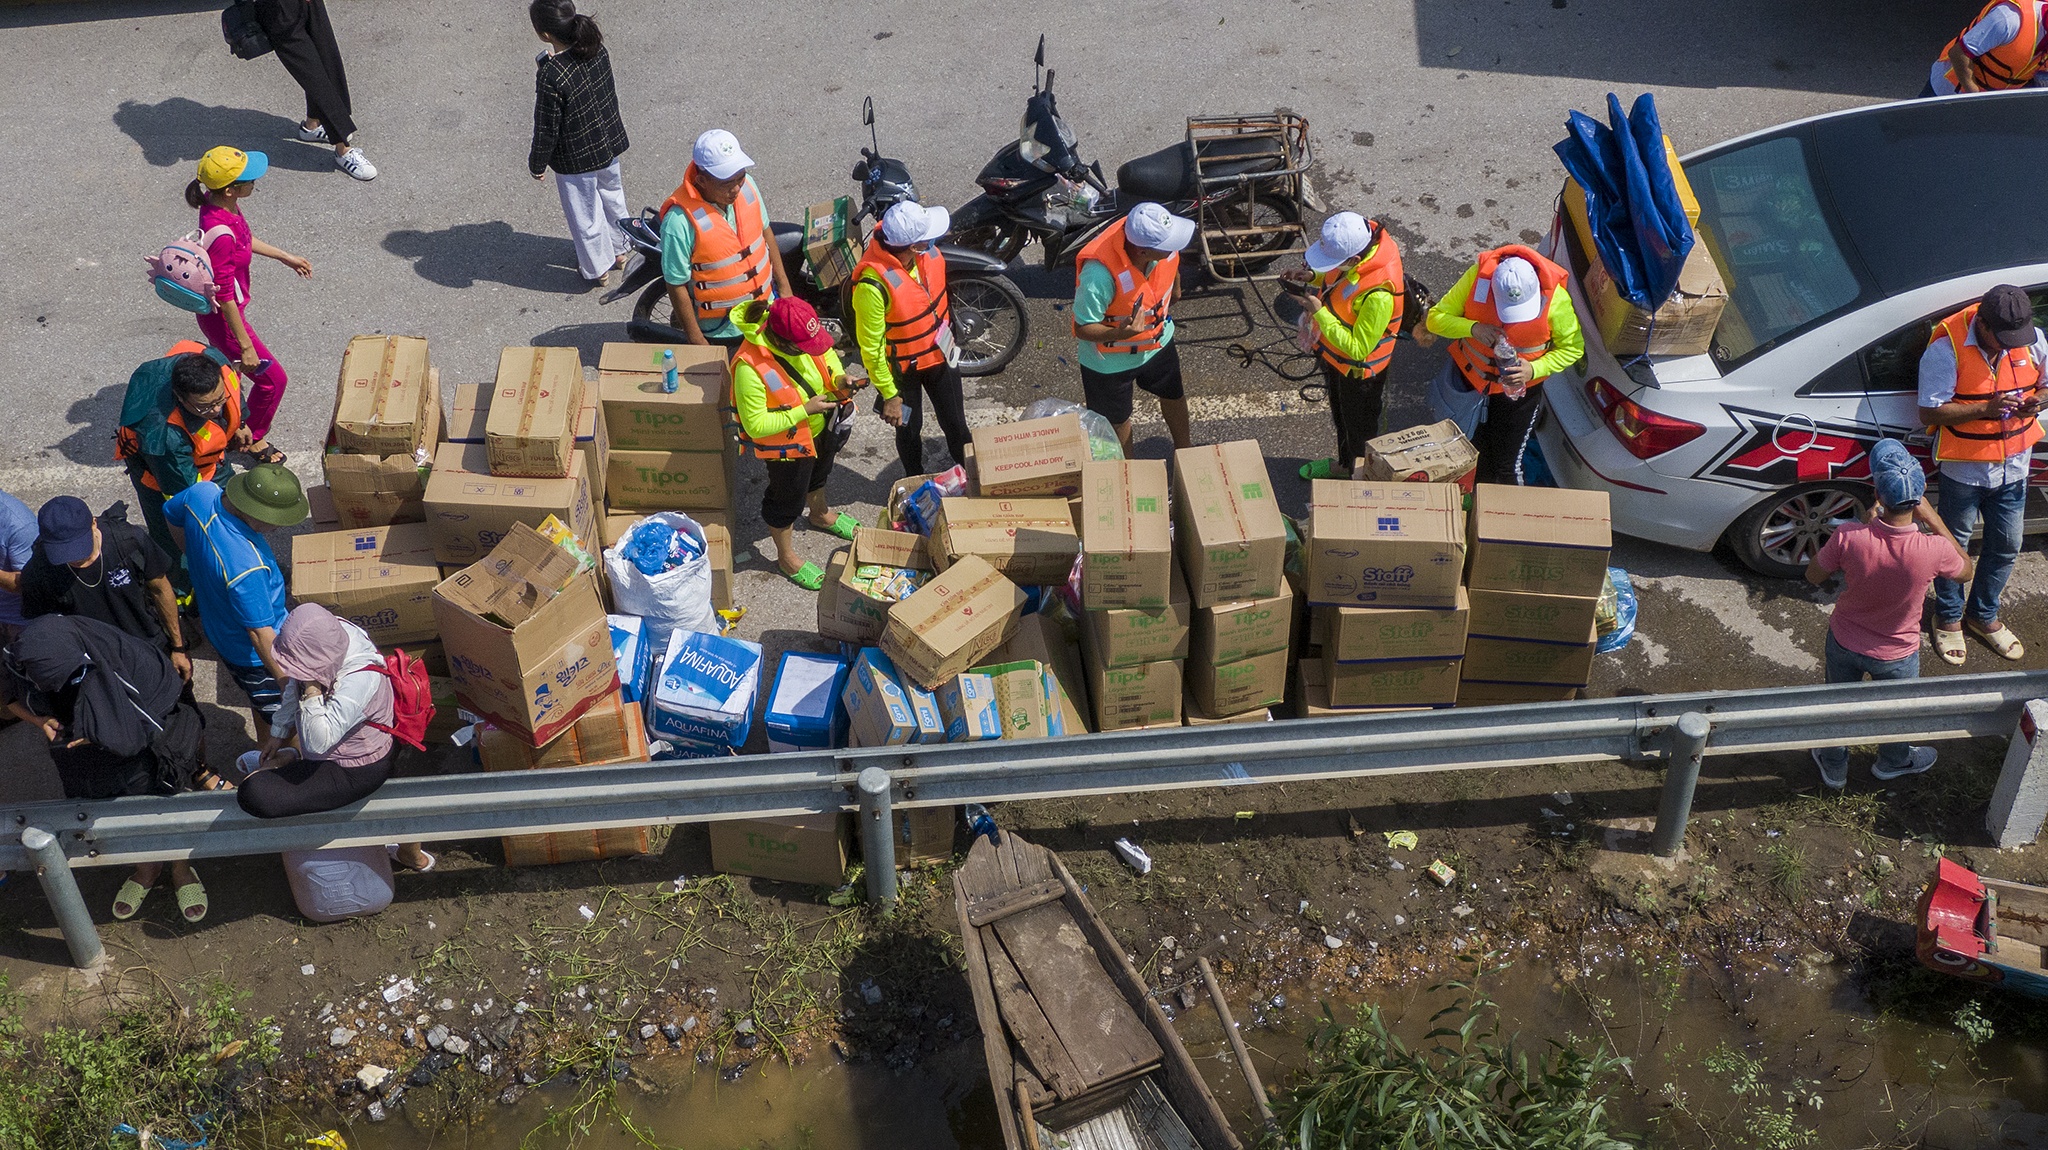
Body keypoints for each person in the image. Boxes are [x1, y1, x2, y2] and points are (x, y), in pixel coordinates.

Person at [5, 616, 212, 921]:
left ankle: (181, 868)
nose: (47, 687)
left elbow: (134, 737)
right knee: (110, 809)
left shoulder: (126, 663)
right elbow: (7, 696)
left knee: (163, 804)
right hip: (91, 747)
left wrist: (98, 731)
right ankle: (147, 869)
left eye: (61, 680)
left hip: (148, 736)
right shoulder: (19, 657)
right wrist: (41, 720)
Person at [1805, 439, 1973, 788]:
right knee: (1896, 712)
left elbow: (1813, 575)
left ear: (1879, 496)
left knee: (1836, 704)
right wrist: (1933, 518)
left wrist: (1864, 529)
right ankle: (1893, 761)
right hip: (1897, 652)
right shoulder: (1934, 549)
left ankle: (1834, 764)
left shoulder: (1849, 536)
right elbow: (1965, 570)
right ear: (1920, 495)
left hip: (1845, 640)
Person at [238, 605, 433, 869]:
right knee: (257, 779)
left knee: (254, 793)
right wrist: (278, 733)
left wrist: (312, 689)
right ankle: (292, 758)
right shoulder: (336, 635)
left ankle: (292, 760)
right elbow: (293, 684)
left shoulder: (360, 680)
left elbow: (318, 740)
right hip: (326, 744)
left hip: (356, 767)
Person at [1918, 283, 2045, 665]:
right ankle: (1950, 616)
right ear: (1984, 325)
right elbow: (1930, 412)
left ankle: (1983, 616)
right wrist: (1985, 409)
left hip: (2015, 470)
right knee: (1952, 547)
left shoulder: (2031, 339)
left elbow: (2046, 385)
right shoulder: (1945, 350)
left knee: (2006, 546)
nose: (2009, 346)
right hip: (1965, 472)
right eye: (2001, 339)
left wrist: (2036, 401)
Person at [1424, 244, 1585, 485]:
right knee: (1468, 450)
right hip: (1471, 384)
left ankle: (1504, 515)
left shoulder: (1556, 300)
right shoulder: (1477, 278)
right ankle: (1474, 501)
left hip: (1519, 395)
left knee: (1508, 464)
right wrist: (1472, 328)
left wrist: (1534, 369)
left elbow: (1573, 348)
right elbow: (1435, 320)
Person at [728, 297, 859, 589]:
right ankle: (786, 558)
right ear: (783, 341)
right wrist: (805, 410)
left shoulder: (802, 332)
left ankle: (820, 514)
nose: (814, 348)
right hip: (789, 448)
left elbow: (828, 358)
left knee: (819, 476)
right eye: (805, 345)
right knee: (786, 501)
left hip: (822, 428)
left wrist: (840, 378)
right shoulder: (749, 367)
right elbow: (756, 425)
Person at [185, 146, 309, 451]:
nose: (255, 183)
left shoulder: (221, 208)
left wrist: (284, 256)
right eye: (249, 179)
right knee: (273, 382)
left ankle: (230, 419)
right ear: (230, 190)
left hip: (224, 315)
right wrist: (246, 345)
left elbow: (244, 238)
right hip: (226, 320)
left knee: (233, 375)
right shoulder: (222, 234)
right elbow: (225, 295)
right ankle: (249, 437)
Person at [163, 465, 304, 730]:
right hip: (255, 657)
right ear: (255, 512)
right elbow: (260, 635)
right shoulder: (246, 567)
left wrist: (196, 559)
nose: (277, 528)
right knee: (288, 727)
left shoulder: (202, 493)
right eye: (276, 520)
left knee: (263, 708)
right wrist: (288, 687)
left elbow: (171, 514)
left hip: (219, 629)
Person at [1281, 212, 1406, 479]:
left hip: (1360, 375)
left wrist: (1319, 312)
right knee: (1342, 419)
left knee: (1360, 431)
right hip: (1337, 362)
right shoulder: (1357, 254)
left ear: (1355, 260)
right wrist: (1311, 276)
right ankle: (1345, 465)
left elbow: (1359, 349)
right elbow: (1339, 279)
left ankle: (1360, 480)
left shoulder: (1379, 295)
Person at [851, 201, 971, 477]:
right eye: (926, 240)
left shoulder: (922, 255)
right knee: (908, 430)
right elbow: (871, 349)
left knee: (956, 424)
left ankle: (973, 476)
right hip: (902, 373)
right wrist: (889, 395)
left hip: (940, 356)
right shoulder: (871, 286)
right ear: (913, 247)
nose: (932, 243)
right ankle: (915, 478)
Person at [20, 498, 191, 683]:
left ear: (94, 524)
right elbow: (44, 627)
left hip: (149, 645)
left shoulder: (128, 541)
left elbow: (161, 590)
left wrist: (178, 647)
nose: (75, 558)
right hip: (99, 664)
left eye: (80, 547)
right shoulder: (38, 572)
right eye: (64, 551)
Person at [1072, 202, 1196, 455]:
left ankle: (1186, 452)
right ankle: (1130, 473)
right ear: (1143, 252)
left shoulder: (1164, 248)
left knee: (1174, 395)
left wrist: (1178, 289)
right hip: (1109, 363)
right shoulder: (1098, 275)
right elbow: (1083, 327)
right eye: (1169, 245)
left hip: (1158, 344)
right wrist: (1121, 333)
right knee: (1116, 421)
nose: (1176, 247)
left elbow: (1173, 268)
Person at [528, 0, 631, 287]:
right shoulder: (597, 49)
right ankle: (621, 249)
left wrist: (537, 163)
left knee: (585, 214)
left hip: (576, 158)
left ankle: (598, 268)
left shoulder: (552, 74)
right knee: (613, 196)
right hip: (607, 143)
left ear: (545, 34)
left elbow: (547, 126)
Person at [660, 130, 793, 349]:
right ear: (701, 180)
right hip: (722, 333)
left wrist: (785, 290)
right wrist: (697, 341)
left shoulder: (748, 186)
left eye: (739, 177)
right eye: (726, 183)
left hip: (765, 313)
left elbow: (766, 232)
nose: (736, 189)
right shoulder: (678, 222)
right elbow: (676, 285)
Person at [252, 0, 377, 179]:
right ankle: (343, 150)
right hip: (278, 8)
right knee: (313, 74)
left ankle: (312, 125)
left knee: (327, 58)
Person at [1924, 0, 2046, 96]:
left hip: (1993, 104)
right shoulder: (2009, 19)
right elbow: (1958, 54)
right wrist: (1978, 100)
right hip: (1948, 90)